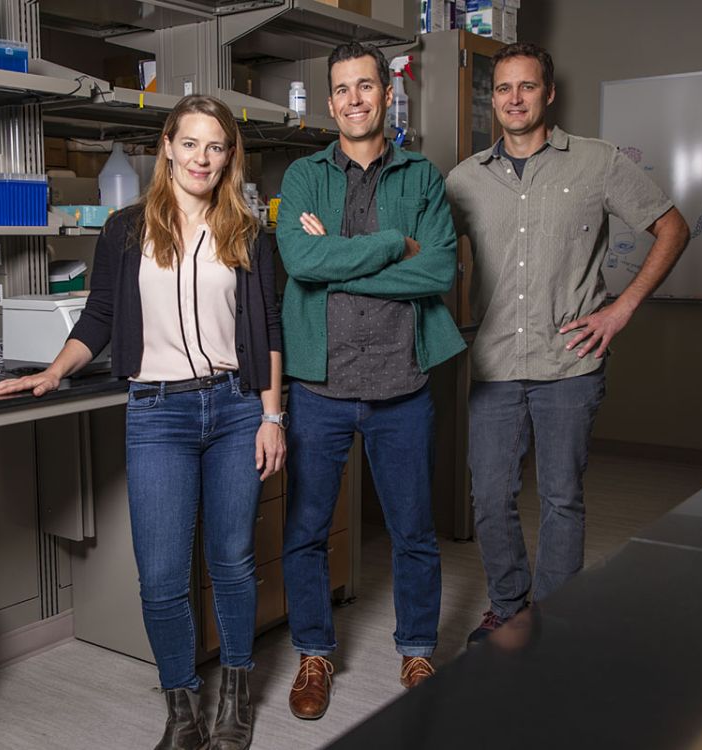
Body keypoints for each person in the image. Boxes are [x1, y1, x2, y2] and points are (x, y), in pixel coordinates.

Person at [0, 95, 285, 750]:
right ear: (167, 147)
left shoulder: (249, 232)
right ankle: (182, 712)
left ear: (229, 155)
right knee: (160, 575)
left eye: (216, 146)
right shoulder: (126, 229)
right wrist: (54, 370)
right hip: (158, 413)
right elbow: (98, 319)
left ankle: (235, 690)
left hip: (236, 409)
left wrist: (272, 416)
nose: (201, 158)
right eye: (190, 143)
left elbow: (269, 331)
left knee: (232, 560)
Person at [445, 43, 690, 646]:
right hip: (494, 364)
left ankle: (552, 623)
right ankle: (507, 607)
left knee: (561, 498)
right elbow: (425, 253)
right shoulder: (464, 179)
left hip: (572, 364)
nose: (514, 99)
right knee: (490, 498)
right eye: (503, 89)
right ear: (492, 98)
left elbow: (672, 227)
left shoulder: (597, 163)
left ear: (548, 94)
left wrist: (621, 308)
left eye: (526, 87)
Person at [275, 41, 465, 719]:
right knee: (305, 530)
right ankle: (315, 653)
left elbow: (438, 271)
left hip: (401, 385)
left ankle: (417, 649)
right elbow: (299, 260)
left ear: (386, 95)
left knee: (414, 530)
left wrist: (338, 257)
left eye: (365, 86)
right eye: (342, 89)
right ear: (329, 103)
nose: (354, 99)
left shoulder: (422, 177)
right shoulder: (301, 176)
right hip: (319, 390)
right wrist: (391, 245)